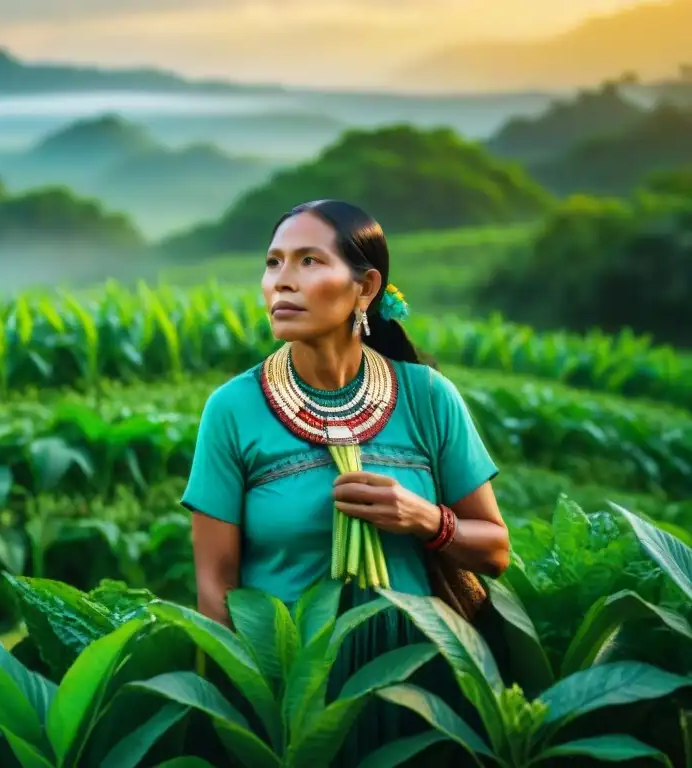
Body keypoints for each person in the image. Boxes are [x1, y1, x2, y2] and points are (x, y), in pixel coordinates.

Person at [181, 199, 510, 764]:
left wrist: (424, 519)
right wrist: (254, 707)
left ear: (365, 288)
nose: (282, 282)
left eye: (308, 262)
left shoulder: (428, 398)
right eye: (273, 263)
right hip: (297, 690)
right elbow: (216, 586)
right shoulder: (232, 409)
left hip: (420, 686)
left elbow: (496, 549)